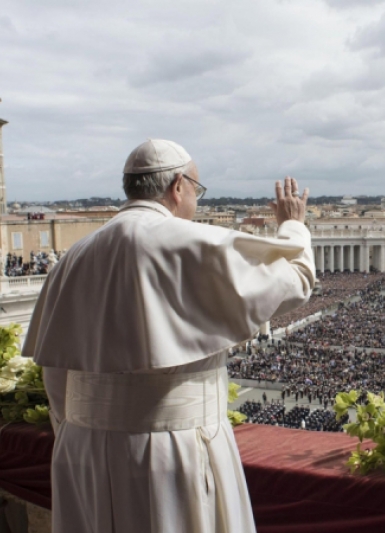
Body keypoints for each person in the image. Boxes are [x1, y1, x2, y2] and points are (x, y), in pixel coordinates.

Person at [22, 139, 316, 533]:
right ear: (179, 186)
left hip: (82, 452)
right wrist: (292, 224)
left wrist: (82, 431)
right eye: (197, 189)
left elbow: (56, 373)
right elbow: (295, 279)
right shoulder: (192, 240)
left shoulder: (72, 257)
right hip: (171, 450)